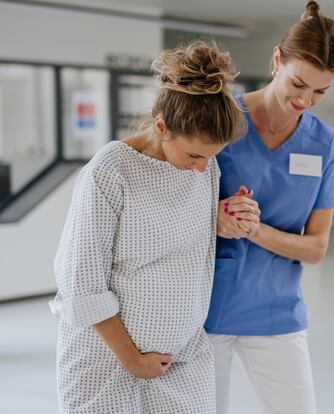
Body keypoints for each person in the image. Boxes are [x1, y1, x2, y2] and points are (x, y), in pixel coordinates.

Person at [49, 40, 245, 414]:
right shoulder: (110, 171)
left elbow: (185, 242)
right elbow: (81, 283)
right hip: (105, 365)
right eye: (194, 155)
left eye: (211, 158)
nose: (202, 168)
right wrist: (134, 360)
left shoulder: (204, 170)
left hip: (183, 361)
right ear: (161, 125)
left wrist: (224, 217)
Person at [204, 2, 334, 413]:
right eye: (298, 83)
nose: (305, 99)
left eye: (320, 91)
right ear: (277, 60)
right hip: (201, 311)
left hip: (275, 312)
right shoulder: (221, 118)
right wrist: (214, 217)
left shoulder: (323, 143)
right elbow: (171, 206)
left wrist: (255, 229)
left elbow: (317, 247)